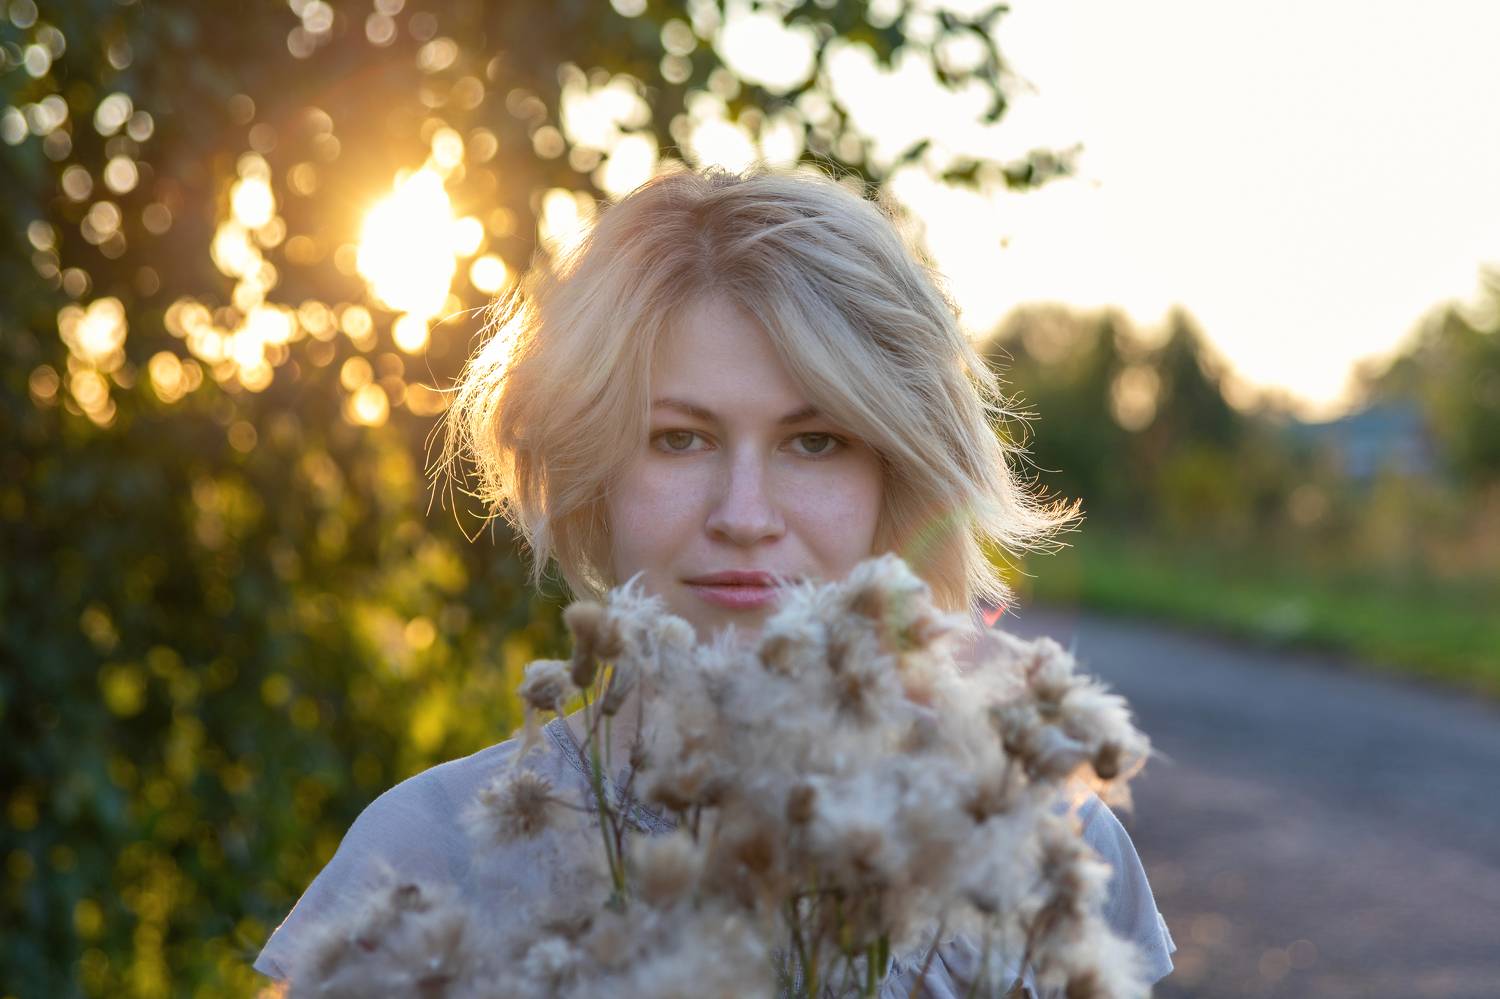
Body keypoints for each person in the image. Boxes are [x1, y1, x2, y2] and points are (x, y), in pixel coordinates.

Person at [254, 165, 1175, 995]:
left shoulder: (1046, 855)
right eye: (679, 438)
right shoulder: (425, 859)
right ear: (590, 467)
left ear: (895, 476)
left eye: (814, 441)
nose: (744, 512)